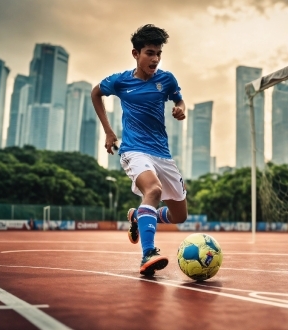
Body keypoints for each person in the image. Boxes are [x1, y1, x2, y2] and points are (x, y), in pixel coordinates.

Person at [91, 24, 188, 276]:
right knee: (153, 190)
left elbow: (178, 98)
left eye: (158, 53)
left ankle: (139, 215)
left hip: (162, 153)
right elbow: (95, 93)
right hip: (134, 149)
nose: (155, 59)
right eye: (149, 53)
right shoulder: (120, 81)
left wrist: (180, 107)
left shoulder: (166, 79)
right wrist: (109, 132)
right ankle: (148, 253)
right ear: (136, 54)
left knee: (180, 216)